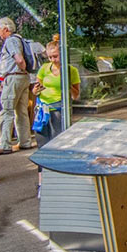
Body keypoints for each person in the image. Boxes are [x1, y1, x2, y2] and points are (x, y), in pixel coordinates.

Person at [33, 37, 80, 193]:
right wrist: (36, 90)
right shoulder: (44, 69)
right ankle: (42, 183)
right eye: (50, 57)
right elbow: (35, 89)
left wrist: (66, 84)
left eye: (56, 56)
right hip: (43, 110)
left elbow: (76, 95)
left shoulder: (70, 70)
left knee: (58, 145)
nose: (53, 60)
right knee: (42, 146)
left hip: (59, 110)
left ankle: (61, 179)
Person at [0, 17, 32, 154]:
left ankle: (4, 144)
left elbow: (19, 59)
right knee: (21, 111)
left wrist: (20, 68)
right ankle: (25, 141)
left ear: (6, 29)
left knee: (7, 110)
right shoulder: (20, 39)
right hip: (23, 77)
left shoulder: (11, 40)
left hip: (13, 77)